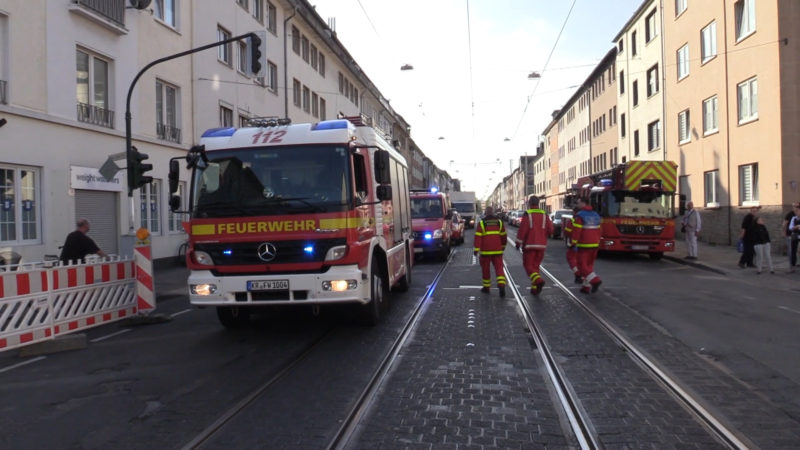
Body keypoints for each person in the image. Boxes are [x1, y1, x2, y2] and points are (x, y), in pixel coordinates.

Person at [515, 196, 553, 296]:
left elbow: (522, 230)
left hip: (529, 245)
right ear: (538, 203)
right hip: (541, 246)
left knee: (528, 266)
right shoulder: (545, 214)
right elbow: (551, 230)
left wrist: (518, 243)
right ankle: (535, 288)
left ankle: (538, 281)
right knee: (535, 267)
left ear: (529, 204)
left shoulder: (528, 214)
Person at [473, 206, 507, 297]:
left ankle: (486, 287)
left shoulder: (482, 223)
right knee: (499, 268)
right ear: (493, 213)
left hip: (485, 252)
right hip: (497, 251)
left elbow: (478, 237)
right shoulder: (499, 222)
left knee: (486, 270)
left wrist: (476, 249)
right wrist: (503, 246)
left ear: (485, 213)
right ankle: (501, 285)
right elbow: (503, 236)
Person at [571, 197, 602, 294]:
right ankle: (586, 287)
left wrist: (573, 243)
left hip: (584, 245)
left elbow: (577, 231)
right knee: (589, 266)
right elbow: (599, 230)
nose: (577, 204)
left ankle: (595, 281)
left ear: (584, 203)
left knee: (582, 266)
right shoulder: (596, 215)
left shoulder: (580, 216)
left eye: (578, 202)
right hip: (595, 245)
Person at [563, 206, 582, 283]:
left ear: (574, 212)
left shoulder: (572, 221)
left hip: (575, 244)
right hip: (585, 243)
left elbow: (567, 231)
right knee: (582, 261)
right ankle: (585, 283)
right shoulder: (584, 219)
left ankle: (577, 274)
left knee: (570, 258)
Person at [783, 202, 799, 272]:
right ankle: (792, 267)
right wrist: (784, 232)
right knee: (792, 251)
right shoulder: (792, 216)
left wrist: (798, 226)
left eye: (797, 207)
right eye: (794, 207)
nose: (795, 209)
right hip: (793, 235)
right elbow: (788, 226)